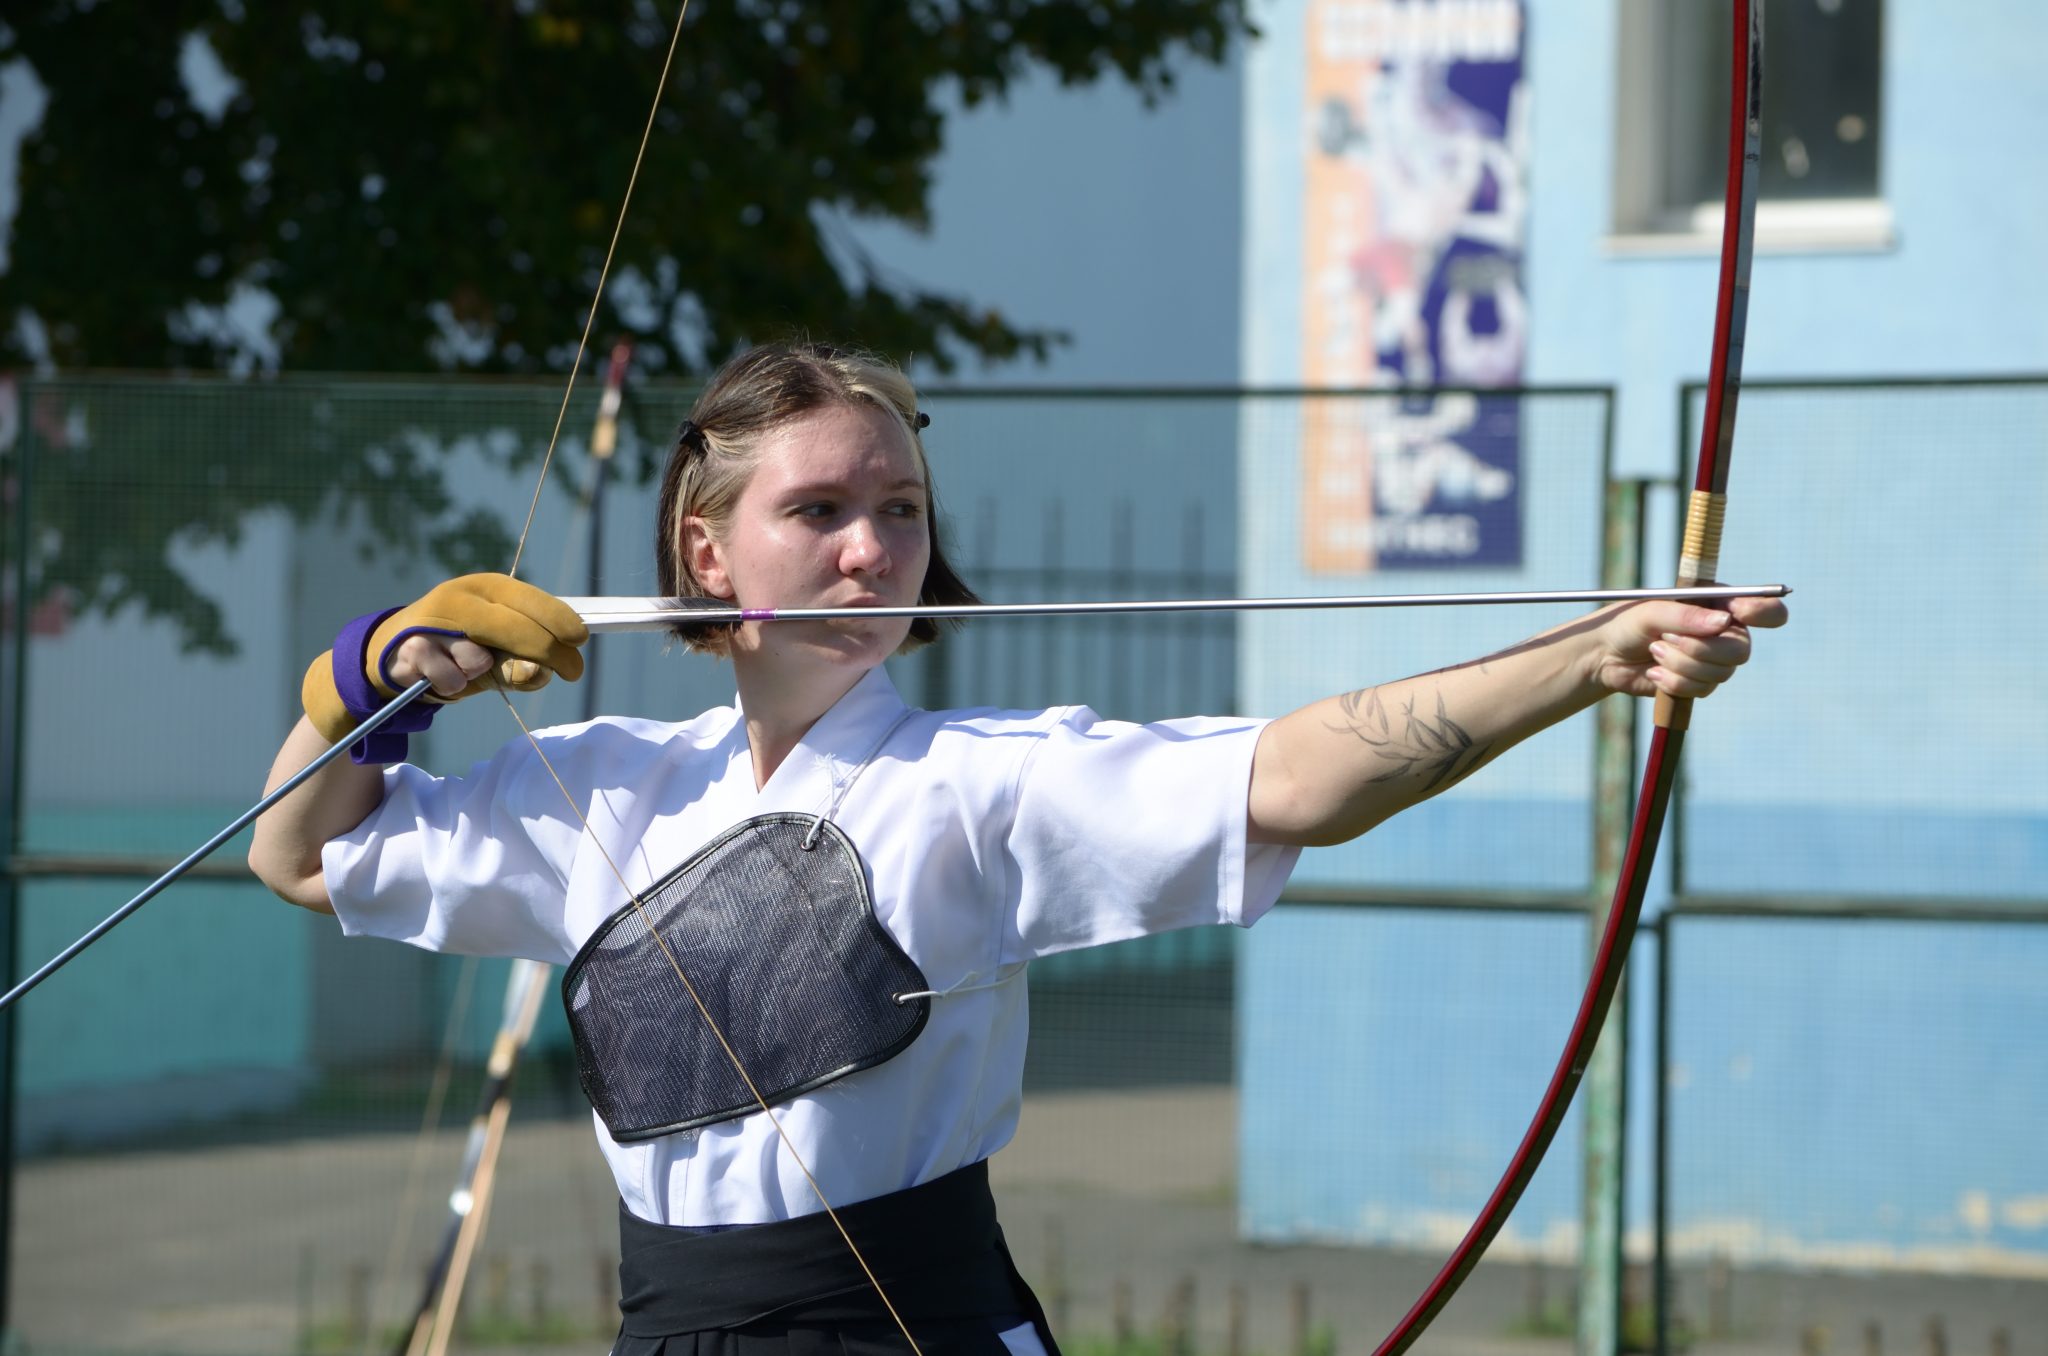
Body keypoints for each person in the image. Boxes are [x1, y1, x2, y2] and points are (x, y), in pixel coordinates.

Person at [249, 342, 1785, 1356]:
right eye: (823, 509)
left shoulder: (981, 786)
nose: (873, 546)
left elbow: (1299, 778)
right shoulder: (601, 786)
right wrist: (364, 681)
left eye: (900, 507)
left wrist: (1594, 652)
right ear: (707, 553)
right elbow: (304, 858)